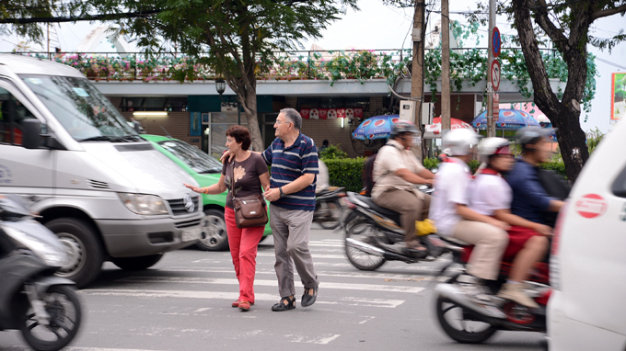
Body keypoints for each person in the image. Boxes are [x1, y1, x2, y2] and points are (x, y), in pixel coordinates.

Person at [185, 125, 270, 312]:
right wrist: (202, 190)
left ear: (240, 142)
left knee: (246, 253)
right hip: (231, 212)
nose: (226, 144)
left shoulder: (257, 160)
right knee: (236, 257)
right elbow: (221, 187)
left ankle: (245, 297)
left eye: (229, 140)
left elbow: (267, 187)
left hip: (253, 214)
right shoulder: (228, 161)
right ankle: (246, 293)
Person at [429, 129, 509, 318]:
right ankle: (471, 283)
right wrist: (492, 221)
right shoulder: (455, 170)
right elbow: (461, 209)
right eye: (472, 146)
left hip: (454, 218)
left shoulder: (456, 166)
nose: (474, 150)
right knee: (495, 236)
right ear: (465, 147)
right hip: (452, 222)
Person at [470, 138, 550, 308]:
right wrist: (535, 226)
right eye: (503, 156)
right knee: (538, 240)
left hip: (495, 224)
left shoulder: (492, 177)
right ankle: (514, 286)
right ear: (490, 159)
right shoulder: (492, 182)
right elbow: (503, 216)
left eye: (510, 155)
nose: (509, 159)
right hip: (495, 226)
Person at [261, 108, 320, 312]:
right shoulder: (276, 144)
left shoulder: (307, 145)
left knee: (296, 246)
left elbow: (308, 178)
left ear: (290, 125)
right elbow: (261, 161)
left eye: (278, 121)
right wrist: (236, 155)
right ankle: (287, 297)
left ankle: (311, 284)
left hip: (300, 208)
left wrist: (280, 192)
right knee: (280, 255)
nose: (275, 125)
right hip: (277, 209)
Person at [371, 121, 434, 254]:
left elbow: (420, 170)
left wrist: (438, 178)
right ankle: (411, 243)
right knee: (413, 205)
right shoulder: (389, 151)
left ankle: (419, 233)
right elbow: (403, 174)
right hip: (387, 191)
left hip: (405, 190)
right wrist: (428, 181)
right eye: (409, 135)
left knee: (432, 203)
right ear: (401, 136)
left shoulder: (406, 152)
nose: (412, 138)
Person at [505, 127, 564, 226]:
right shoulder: (522, 172)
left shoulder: (530, 168)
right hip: (532, 231)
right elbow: (543, 201)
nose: (547, 148)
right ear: (531, 146)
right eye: (543, 143)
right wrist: (574, 206)